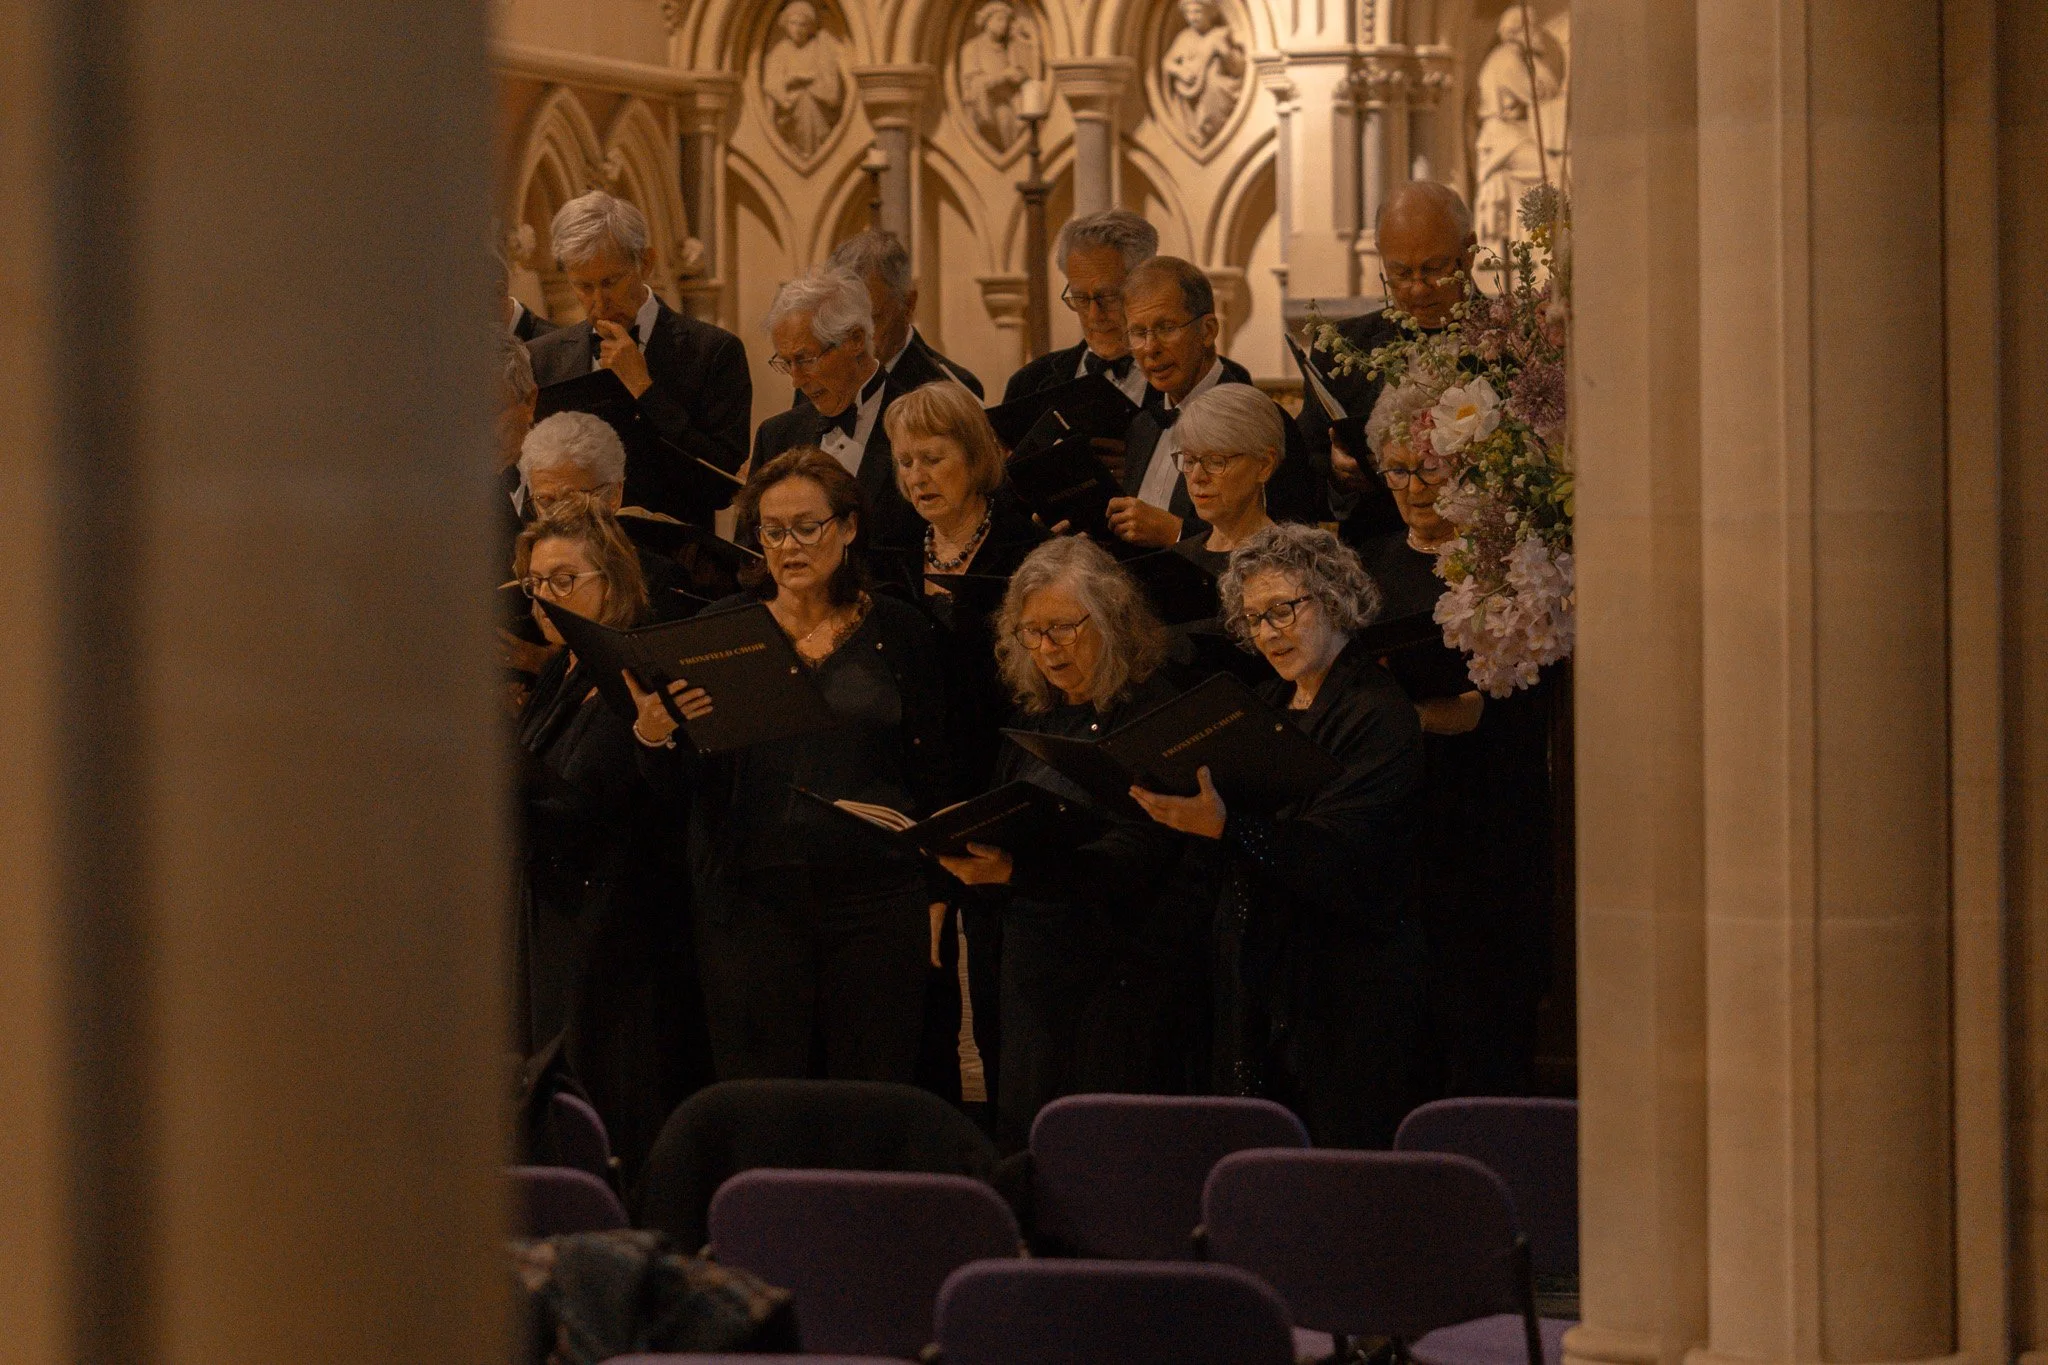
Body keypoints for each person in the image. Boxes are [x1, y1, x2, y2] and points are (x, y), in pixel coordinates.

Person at [627, 448, 952, 1087]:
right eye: (773, 532)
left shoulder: (902, 631)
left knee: (871, 1094)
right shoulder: (717, 630)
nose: (789, 546)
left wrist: (940, 897)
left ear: (849, 527)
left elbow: (940, 770)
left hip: (875, 904)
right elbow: (678, 787)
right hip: (751, 908)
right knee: (766, 1098)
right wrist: (652, 733)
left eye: (808, 526)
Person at [1131, 523, 1425, 1147]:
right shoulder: (1263, 702)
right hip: (1257, 971)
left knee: (1334, 1161)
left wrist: (1228, 827)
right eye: (1253, 617)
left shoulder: (1379, 711)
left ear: (1336, 598)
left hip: (1342, 984)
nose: (1267, 633)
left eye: (1283, 610)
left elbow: (1342, 856)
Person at [938, 538, 1208, 1151]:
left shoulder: (1153, 711)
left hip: (1123, 980)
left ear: (1111, 620)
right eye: (1029, 633)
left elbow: (1142, 851)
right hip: (1036, 977)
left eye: (1061, 628)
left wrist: (1020, 871)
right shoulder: (1040, 714)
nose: (1046, 649)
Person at [1360, 382, 1555, 1098]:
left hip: (1485, 835)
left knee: (1483, 1049)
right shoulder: (1369, 562)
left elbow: (1507, 710)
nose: (1412, 487)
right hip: (1396, 840)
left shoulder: (1507, 567)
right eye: (1398, 470)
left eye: (1430, 468)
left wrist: (1400, 714)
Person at [511, 494, 708, 1179]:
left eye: (564, 579)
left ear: (613, 582)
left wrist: (652, 740)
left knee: (613, 1107)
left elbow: (674, 800)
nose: (545, 598)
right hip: (556, 914)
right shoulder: (564, 671)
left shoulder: (643, 667)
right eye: (535, 583)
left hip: (622, 933)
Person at [878, 381, 1048, 1112]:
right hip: (914, 789)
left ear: (974, 457)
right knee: (923, 997)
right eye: (905, 461)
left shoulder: (1026, 549)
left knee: (1006, 1003)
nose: (917, 476)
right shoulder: (891, 554)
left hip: (1001, 787)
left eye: (933, 458)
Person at [526, 190, 753, 525]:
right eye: (584, 287)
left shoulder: (714, 351)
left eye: (610, 282)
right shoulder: (542, 357)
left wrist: (644, 389)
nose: (599, 303)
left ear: (645, 263)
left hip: (674, 560)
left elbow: (721, 488)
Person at [1297, 180, 1481, 548]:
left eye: (1432, 268)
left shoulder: (1517, 338)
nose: (1417, 287)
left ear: (1470, 251)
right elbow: (1302, 479)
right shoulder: (1341, 350)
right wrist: (1338, 472)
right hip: (1378, 560)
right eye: (1400, 273)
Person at [1108, 256, 1318, 548]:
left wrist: (1177, 533)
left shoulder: (1260, 421)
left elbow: (1290, 543)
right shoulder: (1143, 425)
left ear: (1207, 330)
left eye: (1166, 328)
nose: (1150, 348)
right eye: (1138, 333)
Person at [753, 267, 923, 548]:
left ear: (855, 340)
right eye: (786, 363)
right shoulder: (775, 436)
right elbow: (751, 550)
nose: (796, 381)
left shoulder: (919, 426)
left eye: (805, 359)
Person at [515, 412, 722, 621]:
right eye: (545, 501)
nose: (558, 514)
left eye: (573, 499)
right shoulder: (524, 580)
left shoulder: (661, 584)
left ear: (613, 495)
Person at [1003, 210, 1157, 412]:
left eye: (1108, 296)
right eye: (1081, 298)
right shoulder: (1029, 383)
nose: (1094, 315)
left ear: (1144, 287)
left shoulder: (1181, 378)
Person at [828, 229, 982, 396]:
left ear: (908, 304)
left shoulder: (951, 390)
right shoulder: (818, 383)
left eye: (869, 321)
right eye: (841, 324)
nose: (852, 343)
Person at [1168, 383, 1283, 575]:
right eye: (1189, 460)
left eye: (1215, 461)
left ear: (1264, 465)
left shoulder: (1295, 562)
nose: (1197, 477)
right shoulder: (1176, 562)